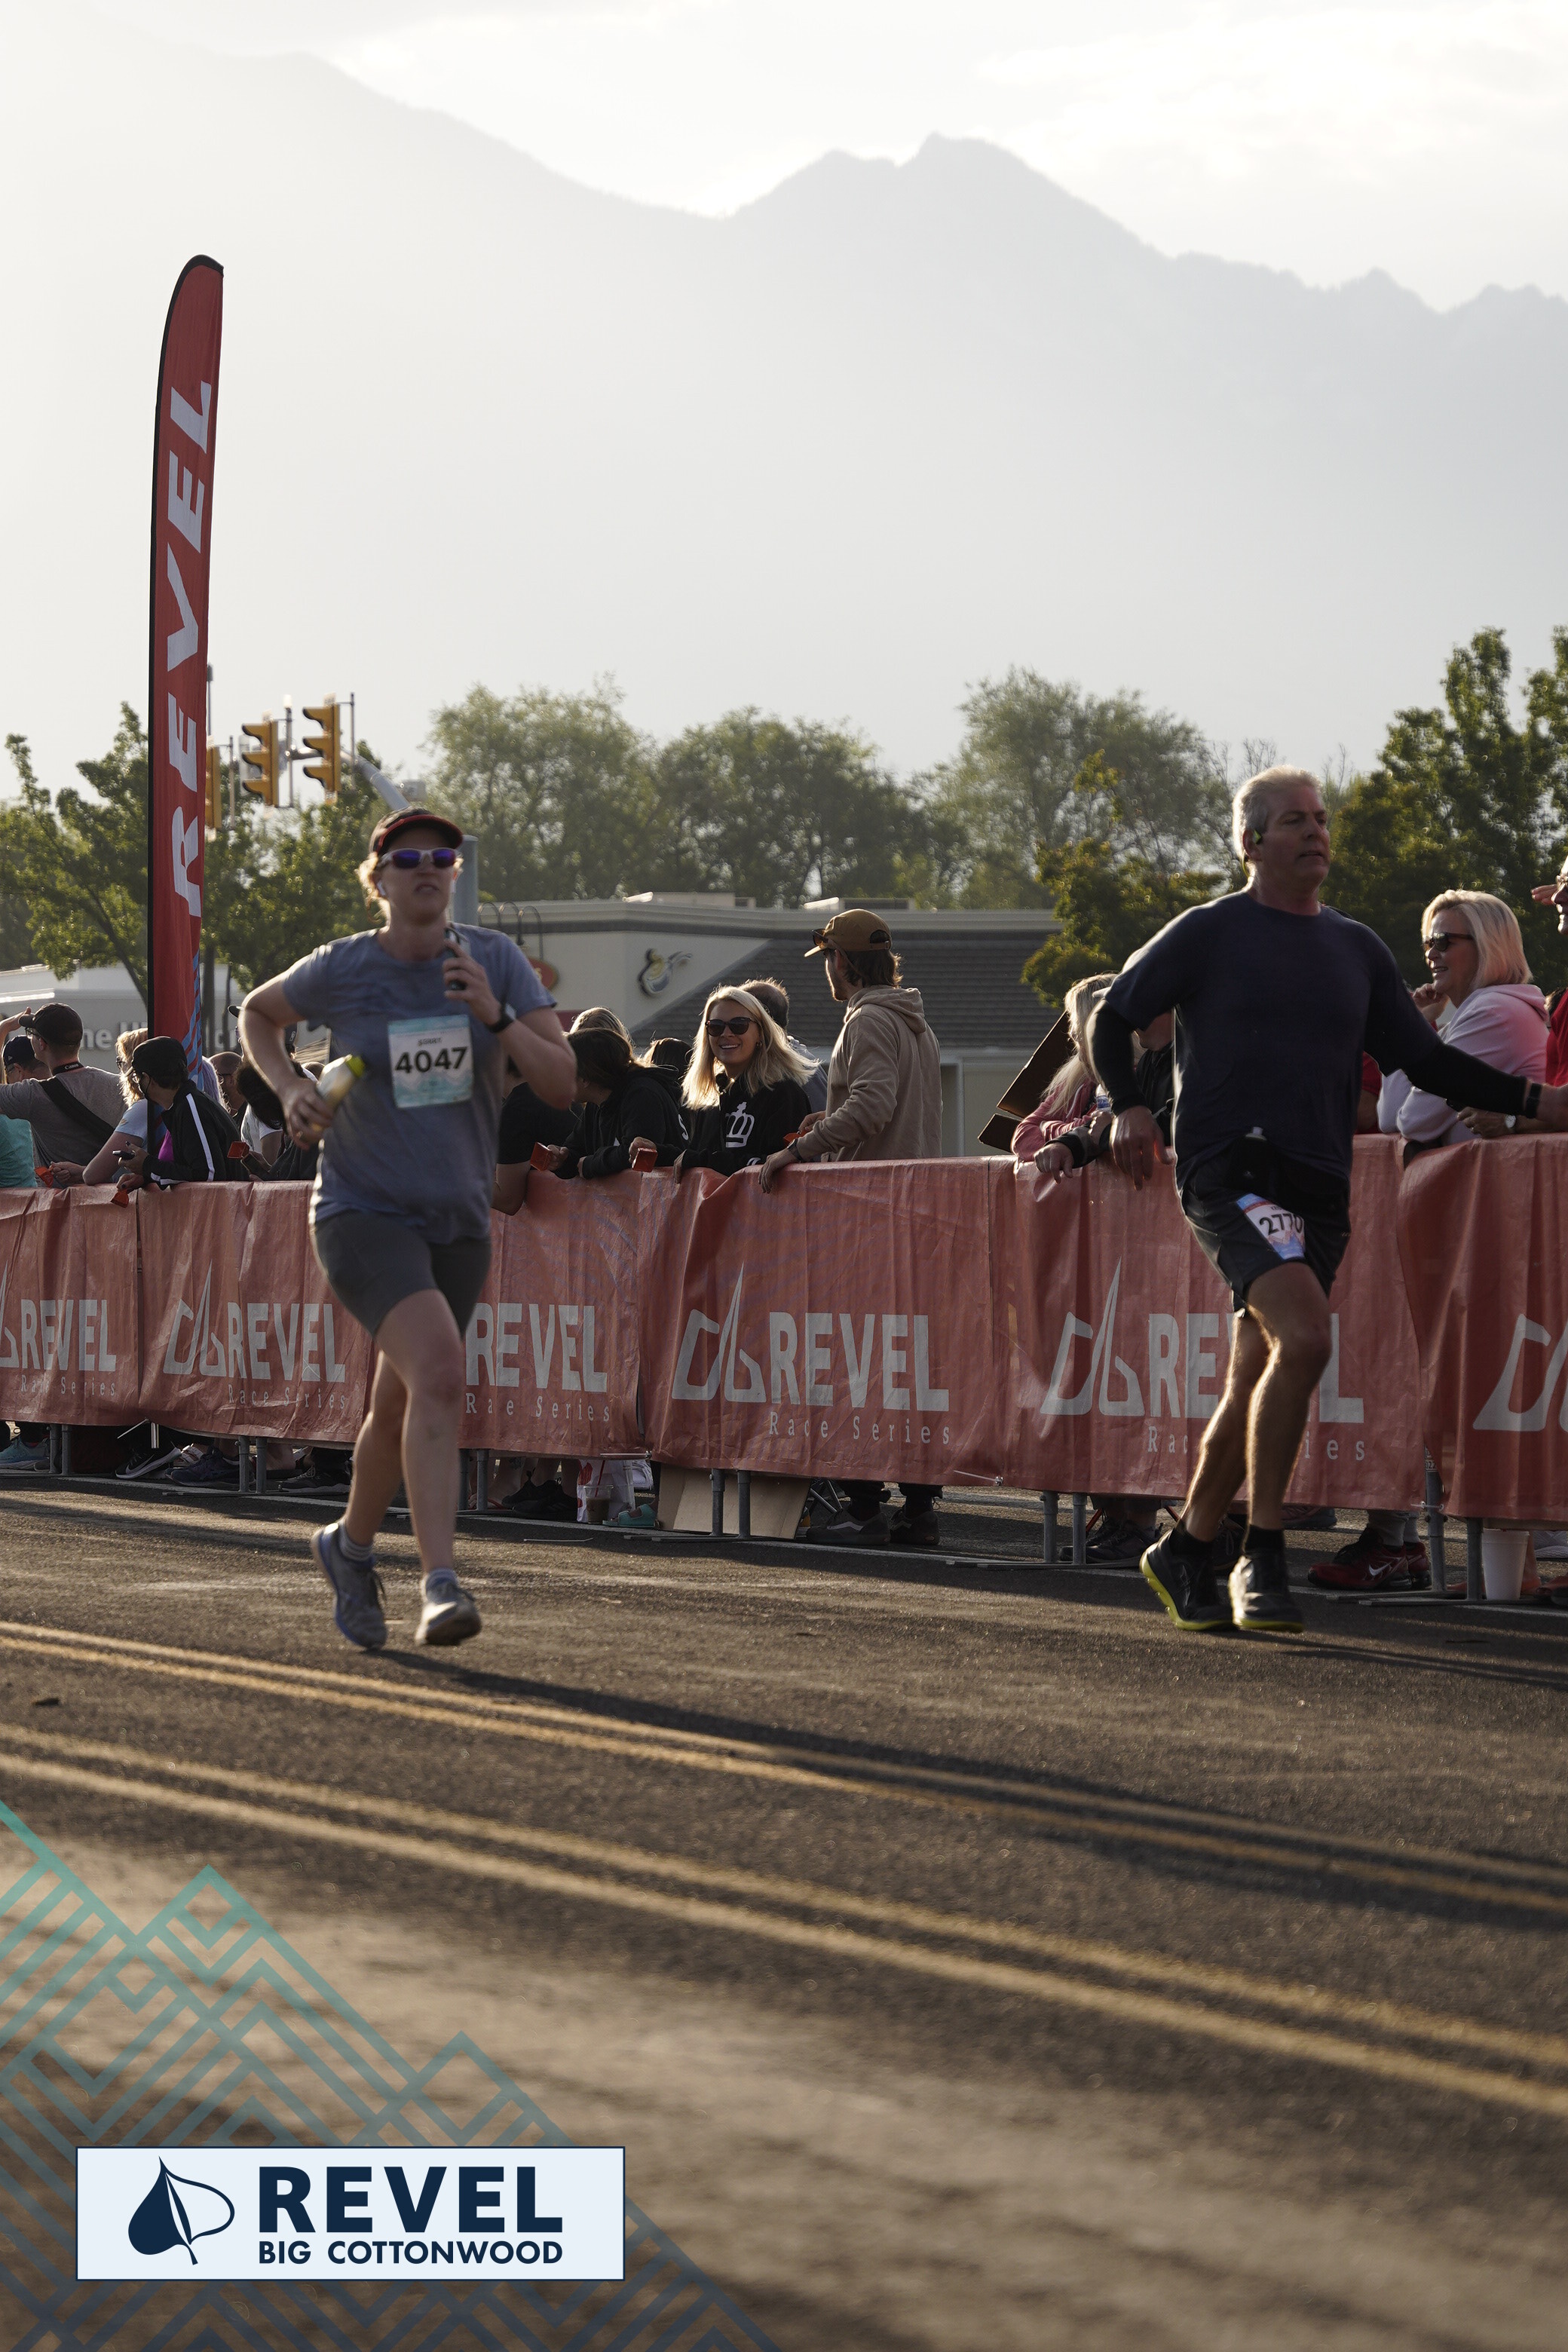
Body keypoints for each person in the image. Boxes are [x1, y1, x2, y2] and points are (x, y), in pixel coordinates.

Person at [1092, 766, 1568, 1635]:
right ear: (1250, 842)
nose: (1314, 833)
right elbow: (1110, 1016)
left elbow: (1428, 1062)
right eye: (1293, 822)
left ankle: (1185, 1546)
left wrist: (1539, 1102)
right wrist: (1127, 1105)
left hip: (1319, 1186)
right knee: (1307, 1338)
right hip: (1230, 1173)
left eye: (1320, 819)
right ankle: (1261, 1555)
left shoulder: (1355, 948)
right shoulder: (1208, 932)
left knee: (1254, 1374)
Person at [239, 806, 576, 1652]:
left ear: (454, 875)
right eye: (408, 857)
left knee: (401, 1400)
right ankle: (440, 1583)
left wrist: (496, 1014)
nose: (428, 867)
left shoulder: (493, 961)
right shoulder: (346, 966)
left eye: (443, 857)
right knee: (442, 1372)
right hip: (362, 1211)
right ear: (379, 879)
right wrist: (290, 1087)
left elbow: (562, 1083)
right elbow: (257, 1013)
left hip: (457, 1218)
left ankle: (348, 1547)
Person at [758, 908, 945, 1548]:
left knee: (856, 1365)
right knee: (905, 1368)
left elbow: (873, 1105)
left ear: (842, 961)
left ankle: (864, 1509)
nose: (828, 973)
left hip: (868, 1218)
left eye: (829, 961)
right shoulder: (913, 1020)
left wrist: (797, 1151)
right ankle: (918, 1509)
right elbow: (880, 1108)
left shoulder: (867, 1018)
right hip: (911, 1214)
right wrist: (828, 1120)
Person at [1377, 893, 1547, 1153]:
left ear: (1486, 946)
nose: (1431, 953)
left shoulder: (1492, 1014)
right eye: (1428, 943)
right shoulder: (1488, 1011)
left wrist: (1409, 1030)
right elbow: (1390, 1118)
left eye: (1443, 941)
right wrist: (1416, 1025)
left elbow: (1412, 1122)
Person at [675, 988, 813, 1178]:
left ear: (760, 1033)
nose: (726, 1034)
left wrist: (709, 1162)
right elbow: (694, 1158)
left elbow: (784, 1170)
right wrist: (659, 1153)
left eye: (739, 1025)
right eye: (716, 1026)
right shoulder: (711, 1101)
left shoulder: (784, 1095)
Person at [81, 1035, 246, 1187]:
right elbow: (192, 1172)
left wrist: (148, 1165)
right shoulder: (186, 1105)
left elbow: (208, 1175)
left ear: (148, 1079)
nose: (138, 1083)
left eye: (138, 1078)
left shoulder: (191, 1108)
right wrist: (147, 1177)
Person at [0, 1004, 125, 1181]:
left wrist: (3, 1028)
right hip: (115, 1194)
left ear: (41, 1044)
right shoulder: (119, 1085)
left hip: (61, 1198)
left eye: (31, 1034)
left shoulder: (33, 1095)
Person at [1009, 973, 1118, 1168]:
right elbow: (1023, 1134)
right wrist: (1061, 1144)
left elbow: (1096, 1130)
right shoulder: (1077, 1081)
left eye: (1075, 1028)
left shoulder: (1132, 1078)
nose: (1070, 1035)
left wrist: (1048, 1128)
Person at [549, 1029, 686, 1177]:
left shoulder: (642, 1095)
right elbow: (577, 1154)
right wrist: (562, 1159)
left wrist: (590, 1164)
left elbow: (636, 1155)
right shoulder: (596, 1103)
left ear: (585, 1078)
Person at [742, 978, 828, 1112]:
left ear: (762, 1021)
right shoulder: (796, 1060)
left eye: (739, 1023)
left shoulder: (796, 1072)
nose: (727, 1033)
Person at [0, 1035, 38, 1191]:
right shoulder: (34, 1108)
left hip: (11, 1203)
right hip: (37, 1197)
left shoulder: (13, 1110)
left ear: (18, 1070)